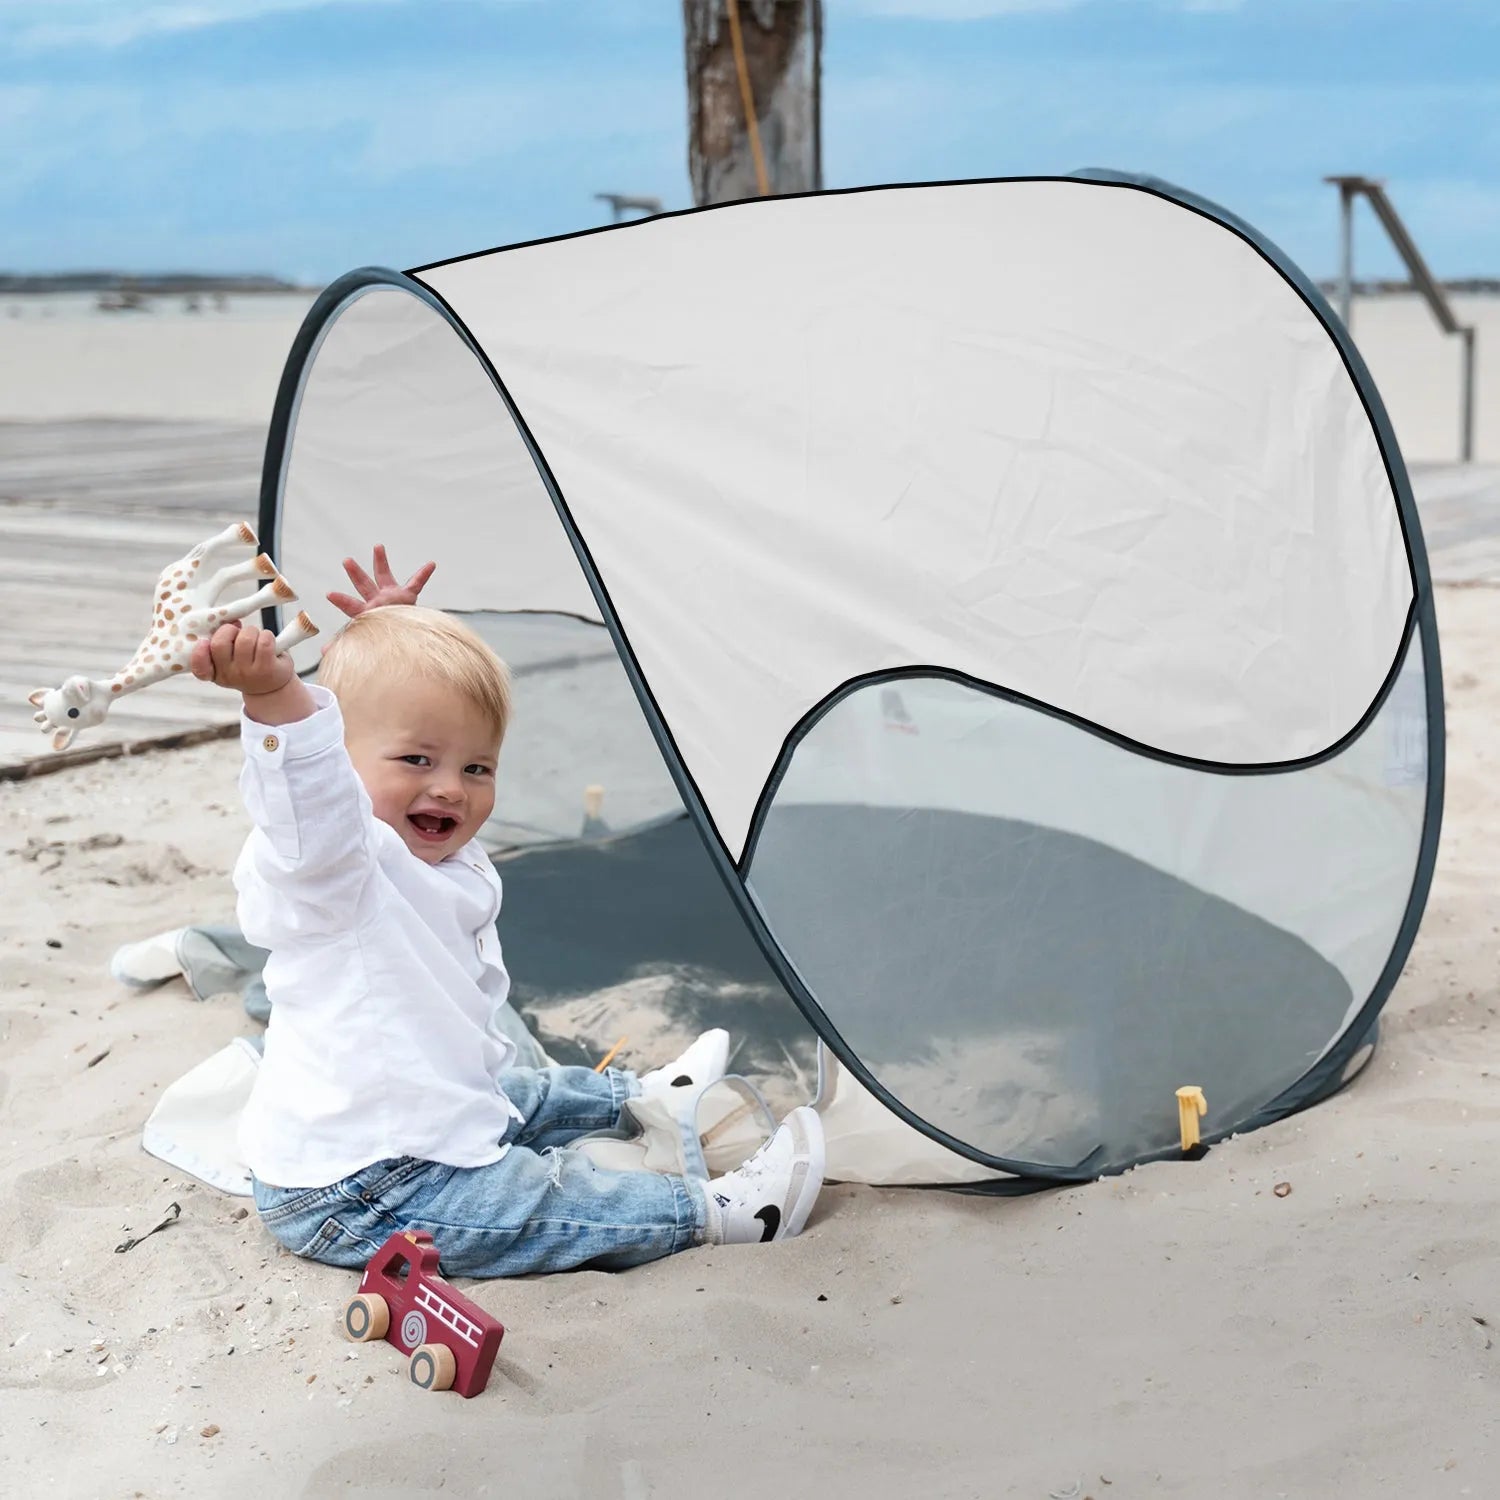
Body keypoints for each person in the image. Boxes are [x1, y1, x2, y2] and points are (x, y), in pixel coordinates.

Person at [188, 553, 825, 1276]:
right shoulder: (331, 865)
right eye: (417, 760)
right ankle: (712, 1212)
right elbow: (308, 797)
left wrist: (394, 635)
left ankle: (642, 1096)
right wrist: (277, 701)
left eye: (476, 768)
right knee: (532, 1200)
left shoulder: (423, 854)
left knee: (523, 1093)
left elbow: (389, 729)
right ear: (337, 758)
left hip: (428, 1109)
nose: (451, 789)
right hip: (359, 1186)